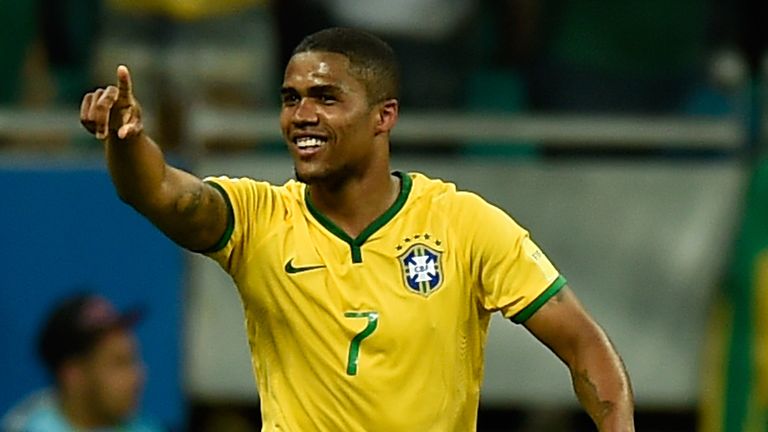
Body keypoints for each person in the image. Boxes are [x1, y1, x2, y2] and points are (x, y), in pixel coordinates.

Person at [79, 27, 635, 431]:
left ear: (383, 116)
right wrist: (127, 144)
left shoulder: (463, 224)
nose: (301, 115)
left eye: (325, 98)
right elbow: (157, 192)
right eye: (291, 99)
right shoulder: (259, 218)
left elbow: (583, 343)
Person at [1, 293, 163, 432]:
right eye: (119, 363)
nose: (138, 375)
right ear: (73, 374)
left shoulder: (142, 426)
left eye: (134, 360)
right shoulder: (30, 427)